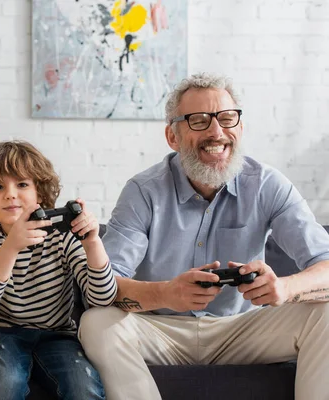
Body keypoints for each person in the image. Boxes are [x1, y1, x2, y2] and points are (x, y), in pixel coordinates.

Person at [78, 72, 329, 400]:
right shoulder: (143, 191)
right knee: (96, 323)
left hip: (243, 330)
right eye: (198, 120)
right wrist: (166, 294)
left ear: (240, 128)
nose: (216, 132)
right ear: (172, 136)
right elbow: (104, 284)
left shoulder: (268, 185)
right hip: (161, 330)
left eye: (227, 118)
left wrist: (284, 288)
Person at [0, 141, 117, 400]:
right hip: (6, 335)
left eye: (22, 184)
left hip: (58, 335)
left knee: (84, 387)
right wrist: (11, 247)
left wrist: (92, 242)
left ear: (40, 193)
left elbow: (102, 298)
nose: (10, 194)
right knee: (3, 386)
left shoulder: (62, 238)